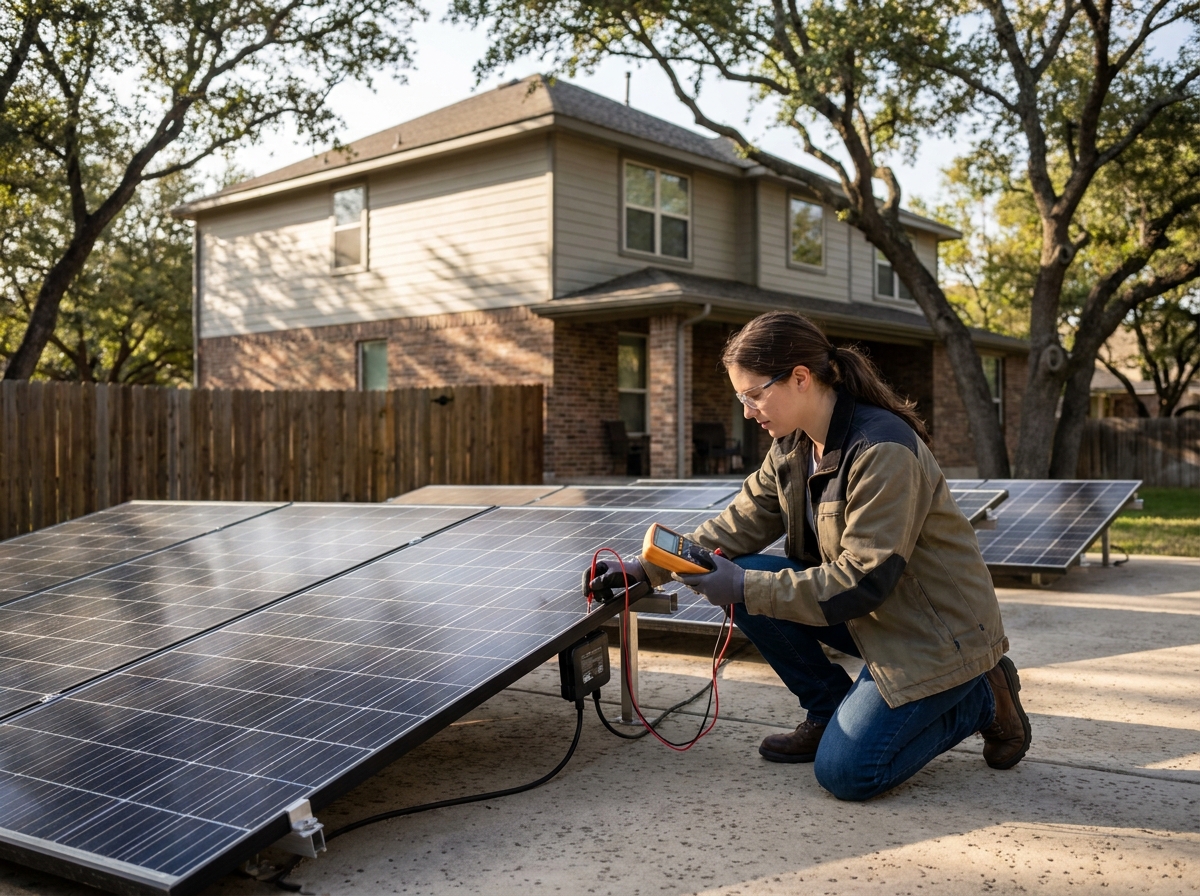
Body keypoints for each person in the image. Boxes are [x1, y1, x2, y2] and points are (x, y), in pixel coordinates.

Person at [586, 310, 1031, 801]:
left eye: (755, 394)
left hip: (935, 633)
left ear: (800, 378)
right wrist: (648, 569)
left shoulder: (882, 450)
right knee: (746, 571)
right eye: (742, 397)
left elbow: (864, 580)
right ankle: (828, 710)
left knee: (848, 774)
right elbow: (739, 522)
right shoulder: (792, 446)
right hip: (873, 617)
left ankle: (985, 697)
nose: (748, 410)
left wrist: (743, 587)